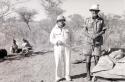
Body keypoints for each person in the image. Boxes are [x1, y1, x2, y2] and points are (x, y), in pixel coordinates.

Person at [83, 4, 106, 81]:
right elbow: (84, 30)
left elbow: (104, 30)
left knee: (97, 58)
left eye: (96, 11)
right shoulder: (86, 19)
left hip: (97, 42)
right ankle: (88, 74)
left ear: (97, 12)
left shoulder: (101, 20)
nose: (94, 12)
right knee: (88, 58)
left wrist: (97, 35)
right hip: (88, 42)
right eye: (93, 11)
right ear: (91, 11)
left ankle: (95, 74)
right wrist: (89, 36)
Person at [50, 15, 72, 82]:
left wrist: (70, 44)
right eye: (59, 21)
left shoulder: (68, 28)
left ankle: (67, 76)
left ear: (64, 21)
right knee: (58, 62)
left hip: (67, 47)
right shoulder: (54, 29)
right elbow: (51, 39)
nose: (61, 22)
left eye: (62, 20)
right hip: (58, 47)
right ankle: (58, 77)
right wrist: (56, 42)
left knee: (67, 61)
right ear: (57, 21)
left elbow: (72, 37)